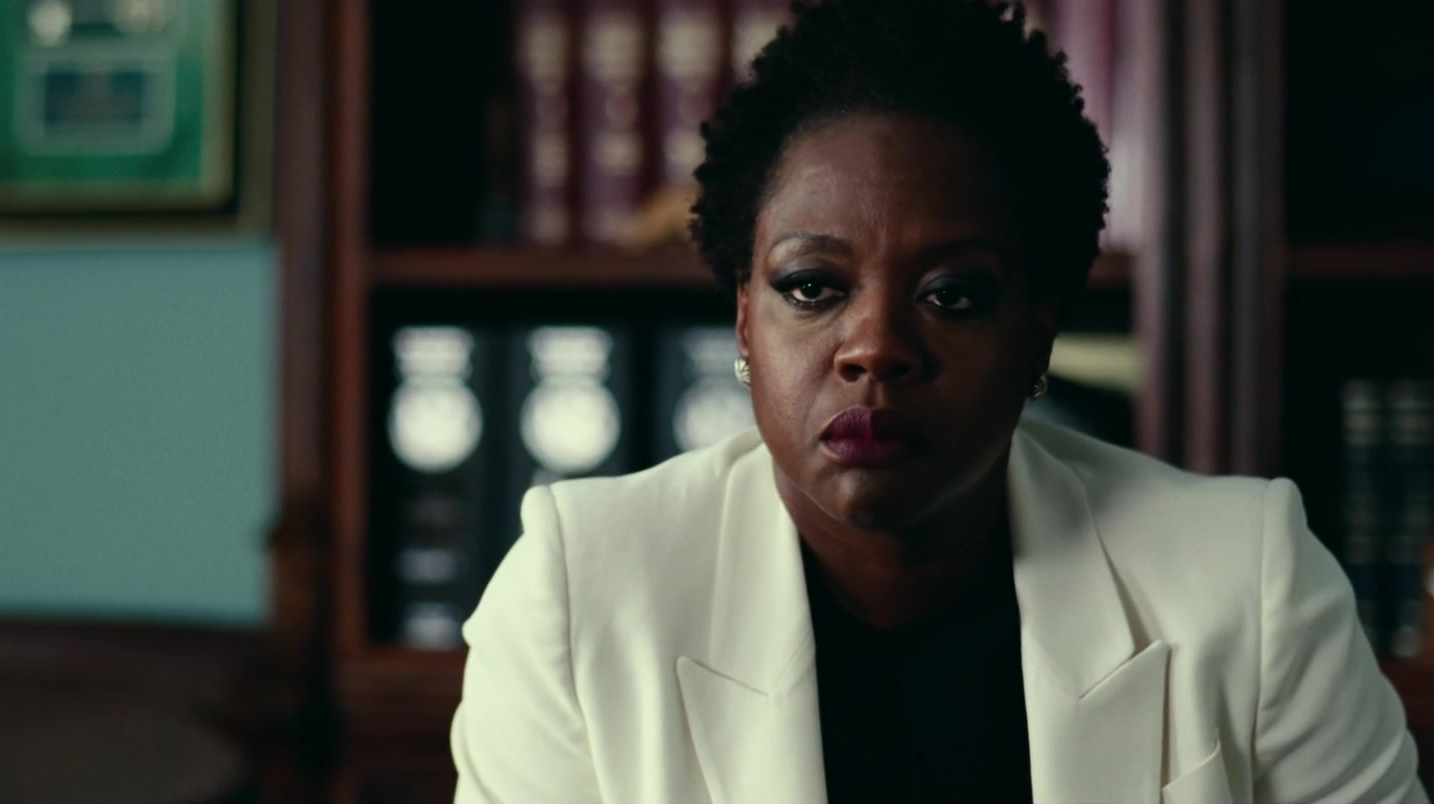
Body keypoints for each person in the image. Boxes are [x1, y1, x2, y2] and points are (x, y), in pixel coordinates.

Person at [449, 1, 1427, 802]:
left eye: (952, 295)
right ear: (745, 320)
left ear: (1037, 335)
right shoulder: (581, 596)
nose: (875, 347)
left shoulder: (1246, 581)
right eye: (812, 287)